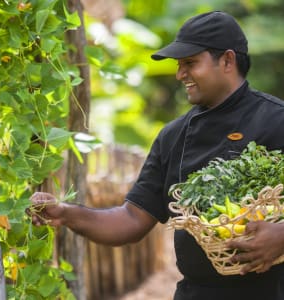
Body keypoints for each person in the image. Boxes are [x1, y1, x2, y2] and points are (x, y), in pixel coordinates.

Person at [28, 11, 284, 300]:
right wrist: (67, 213)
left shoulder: (276, 120)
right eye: (178, 65)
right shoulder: (173, 136)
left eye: (190, 63)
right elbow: (131, 220)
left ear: (226, 60)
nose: (179, 74)